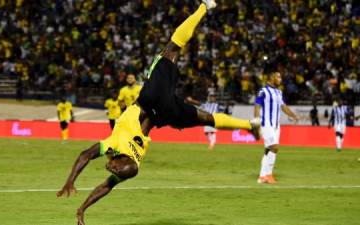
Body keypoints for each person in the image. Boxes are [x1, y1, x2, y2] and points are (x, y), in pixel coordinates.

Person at [57, 2, 261, 224]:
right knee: (172, 48)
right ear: (123, 161)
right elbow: (89, 159)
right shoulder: (117, 147)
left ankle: (250, 125)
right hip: (156, 104)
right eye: (114, 167)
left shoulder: (128, 158)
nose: (110, 166)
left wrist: (79, 202)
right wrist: (73, 185)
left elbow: (97, 172)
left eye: (113, 167)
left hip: (161, 113)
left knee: (206, 118)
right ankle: (205, 5)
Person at [255, 71, 299, 184]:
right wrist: (257, 123)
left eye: (280, 77)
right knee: (275, 147)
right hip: (266, 124)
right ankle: (269, 175)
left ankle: (261, 176)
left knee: (268, 150)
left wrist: (293, 115)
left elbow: (283, 107)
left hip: (276, 126)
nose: (280, 79)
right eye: (278, 77)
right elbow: (257, 107)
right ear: (272, 77)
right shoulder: (263, 91)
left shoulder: (279, 92)